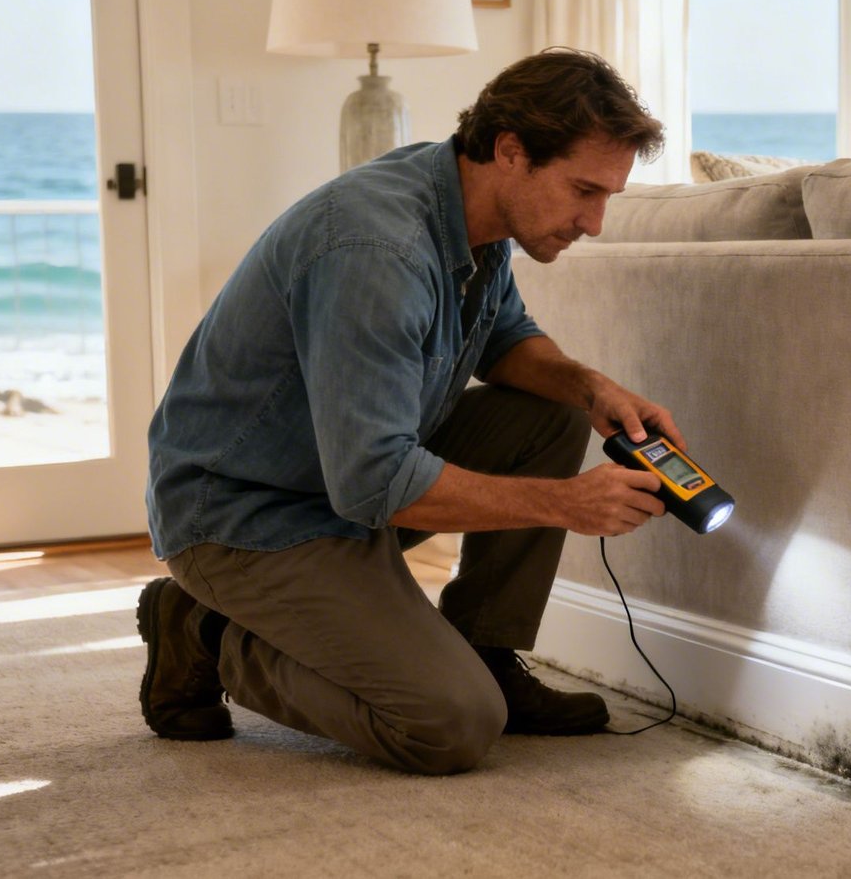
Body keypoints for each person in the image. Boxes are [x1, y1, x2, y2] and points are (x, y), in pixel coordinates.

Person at [138, 48, 684, 775]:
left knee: (551, 415)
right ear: (511, 152)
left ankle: (487, 653)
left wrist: (592, 390)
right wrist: (567, 504)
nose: (596, 221)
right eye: (585, 190)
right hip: (246, 517)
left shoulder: (471, 207)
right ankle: (204, 629)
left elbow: (503, 338)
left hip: (340, 489)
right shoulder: (376, 249)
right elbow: (372, 482)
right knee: (449, 723)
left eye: (608, 195)